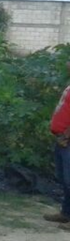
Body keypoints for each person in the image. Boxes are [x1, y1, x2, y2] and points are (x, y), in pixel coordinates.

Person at [45, 60, 70, 226]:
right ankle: (66, 213)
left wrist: (67, 135)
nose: (67, 63)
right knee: (64, 178)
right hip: (61, 138)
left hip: (66, 140)